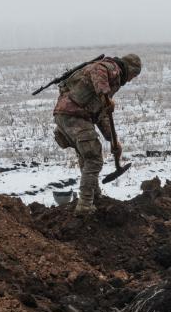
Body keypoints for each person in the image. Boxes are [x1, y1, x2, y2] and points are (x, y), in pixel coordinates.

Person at [53, 53, 143, 213]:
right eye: (133, 76)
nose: (131, 80)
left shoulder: (113, 80)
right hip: (74, 115)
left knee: (86, 156)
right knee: (94, 159)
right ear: (129, 69)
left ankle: (94, 196)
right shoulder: (111, 67)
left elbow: (101, 115)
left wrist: (113, 140)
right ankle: (85, 205)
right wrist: (105, 94)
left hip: (68, 115)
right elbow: (97, 69)